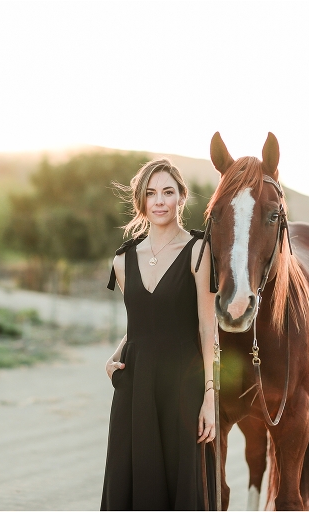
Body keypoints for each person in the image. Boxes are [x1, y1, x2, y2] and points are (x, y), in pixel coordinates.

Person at [101, 158, 217, 510]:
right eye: (151, 193)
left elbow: (206, 326)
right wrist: (115, 354)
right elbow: (143, 322)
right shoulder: (122, 260)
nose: (160, 201)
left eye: (168, 192)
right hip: (135, 385)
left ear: (182, 197)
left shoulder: (199, 251)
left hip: (183, 382)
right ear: (141, 200)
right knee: (133, 480)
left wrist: (210, 396)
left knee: (182, 484)